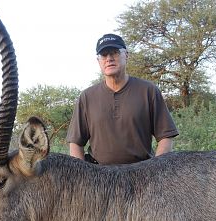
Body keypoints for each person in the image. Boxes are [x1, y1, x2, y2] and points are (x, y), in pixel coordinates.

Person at [66, 33, 179, 165]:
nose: (109, 59)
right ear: (99, 61)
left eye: (114, 52)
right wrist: (82, 177)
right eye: (104, 55)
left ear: (126, 55)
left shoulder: (149, 91)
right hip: (98, 176)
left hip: (142, 174)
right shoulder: (86, 97)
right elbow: (76, 143)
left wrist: (155, 170)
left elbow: (166, 136)